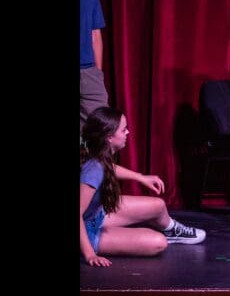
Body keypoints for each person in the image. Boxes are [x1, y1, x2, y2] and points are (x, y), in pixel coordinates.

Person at [80, 107, 206, 267]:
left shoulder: (98, 156)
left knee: (158, 206)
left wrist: (140, 177)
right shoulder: (92, 170)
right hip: (86, 230)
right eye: (123, 130)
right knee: (158, 243)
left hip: (97, 215)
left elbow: (108, 167)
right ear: (110, 137)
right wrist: (90, 253)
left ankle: (173, 231)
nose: (128, 133)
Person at [80, 0, 109, 132]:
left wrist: (98, 73)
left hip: (89, 72)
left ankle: (94, 164)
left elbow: (95, 34)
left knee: (100, 129)